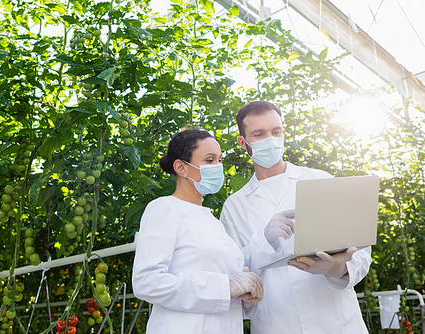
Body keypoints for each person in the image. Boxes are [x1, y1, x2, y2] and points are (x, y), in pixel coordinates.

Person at [220, 101, 371, 334]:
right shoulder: (235, 207)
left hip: (337, 323)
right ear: (243, 142)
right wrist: (263, 240)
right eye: (258, 134)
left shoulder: (320, 180)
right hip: (278, 323)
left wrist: (337, 269)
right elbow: (232, 272)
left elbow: (360, 251)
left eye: (276, 131)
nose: (270, 139)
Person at [132, 129, 264, 334]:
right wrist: (225, 288)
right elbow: (147, 281)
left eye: (220, 160)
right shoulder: (165, 208)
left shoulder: (213, 222)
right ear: (181, 168)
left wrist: (246, 296)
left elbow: (225, 295)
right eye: (209, 160)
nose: (218, 167)